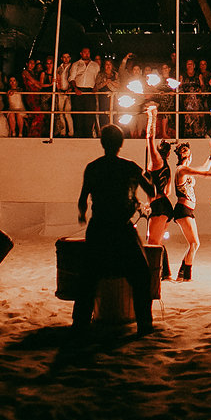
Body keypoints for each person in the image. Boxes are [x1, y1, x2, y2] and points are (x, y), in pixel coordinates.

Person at [73, 124, 156, 336]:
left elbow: (83, 200)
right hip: (121, 229)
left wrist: (83, 215)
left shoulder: (92, 167)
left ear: (102, 143)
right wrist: (147, 174)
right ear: (121, 144)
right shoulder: (130, 167)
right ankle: (144, 324)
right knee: (141, 275)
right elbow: (152, 191)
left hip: (98, 227)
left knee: (87, 278)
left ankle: (80, 323)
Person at [171, 136, 211, 280]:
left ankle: (183, 273)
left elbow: (204, 168)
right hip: (183, 210)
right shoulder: (182, 170)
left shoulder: (186, 170)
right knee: (195, 243)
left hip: (187, 210)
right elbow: (204, 173)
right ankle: (185, 274)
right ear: (188, 155)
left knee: (194, 244)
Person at [143, 104, 174, 280]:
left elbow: (149, 138)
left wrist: (152, 116)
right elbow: (167, 191)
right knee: (157, 242)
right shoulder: (166, 166)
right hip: (162, 205)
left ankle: (154, 275)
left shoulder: (157, 161)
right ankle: (166, 273)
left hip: (160, 207)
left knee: (152, 244)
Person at [69, 46, 100, 138]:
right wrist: (75, 88)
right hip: (78, 91)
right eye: (85, 52)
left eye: (88, 52)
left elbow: (97, 78)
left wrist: (95, 87)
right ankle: (78, 135)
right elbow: (71, 78)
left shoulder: (95, 65)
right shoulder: (76, 64)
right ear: (81, 53)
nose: (87, 54)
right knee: (78, 114)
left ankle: (88, 135)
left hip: (90, 91)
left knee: (89, 114)